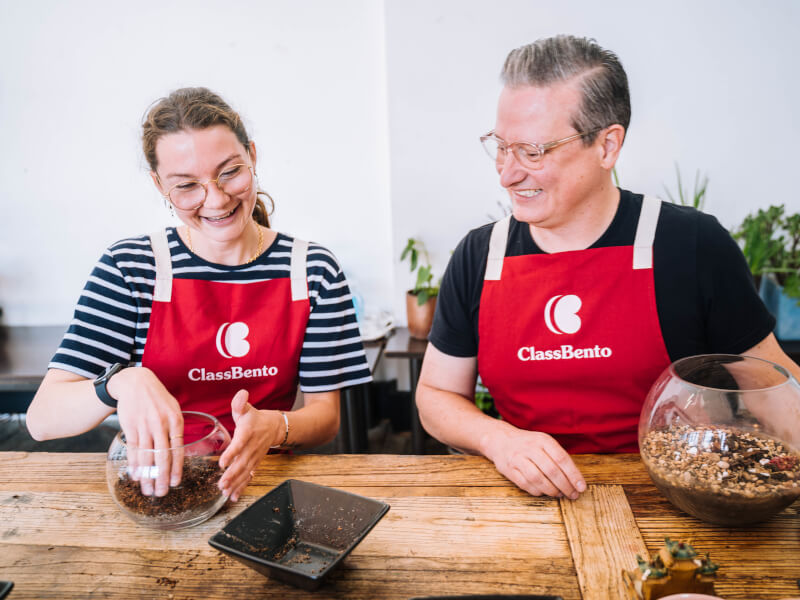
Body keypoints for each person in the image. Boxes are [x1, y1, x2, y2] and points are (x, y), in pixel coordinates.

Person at [415, 35, 800, 501]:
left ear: (607, 146)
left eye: (533, 152)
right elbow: (436, 395)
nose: (507, 173)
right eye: (501, 146)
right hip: (524, 498)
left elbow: (779, 395)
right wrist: (499, 440)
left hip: (675, 496)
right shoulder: (481, 256)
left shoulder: (692, 245)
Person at [27, 87, 371, 502]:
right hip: (159, 486)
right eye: (187, 185)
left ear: (253, 156)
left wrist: (275, 426)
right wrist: (120, 383)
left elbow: (325, 417)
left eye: (230, 172)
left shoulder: (312, 270)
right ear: (159, 185)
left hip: (265, 482)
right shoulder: (132, 268)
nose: (216, 198)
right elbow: (42, 420)